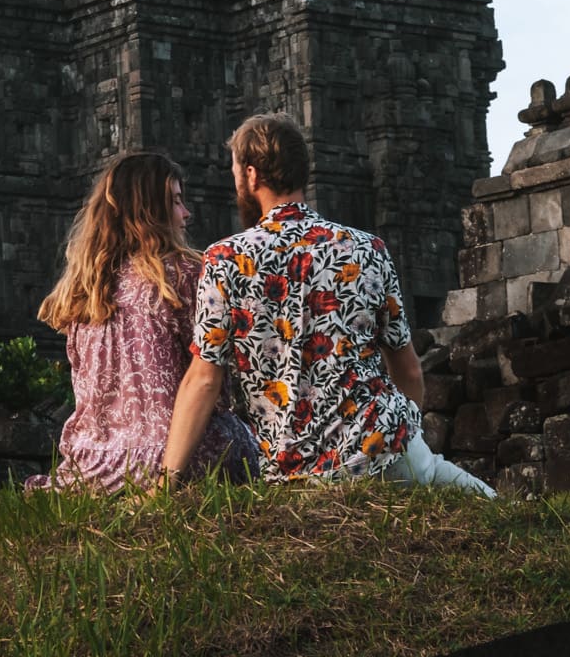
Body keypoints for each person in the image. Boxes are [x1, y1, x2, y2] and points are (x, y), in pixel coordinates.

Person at [157, 113, 496, 497]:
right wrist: (404, 432)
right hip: (383, 450)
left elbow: (203, 378)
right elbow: (408, 370)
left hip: (292, 473)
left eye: (236, 172)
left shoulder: (226, 260)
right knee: (485, 502)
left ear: (251, 175)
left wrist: (166, 483)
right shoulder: (368, 249)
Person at [27, 150, 258, 493]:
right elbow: (214, 383)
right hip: (172, 457)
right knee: (243, 438)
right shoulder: (183, 275)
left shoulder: (83, 291)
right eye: (176, 202)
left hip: (93, 466)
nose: (186, 213)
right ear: (150, 212)